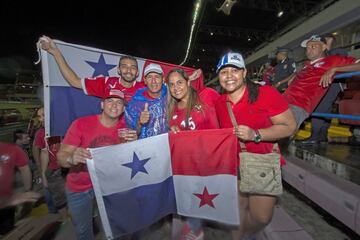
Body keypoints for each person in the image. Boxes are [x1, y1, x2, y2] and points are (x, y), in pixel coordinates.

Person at [214, 52, 296, 239]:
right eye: (223, 72)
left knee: (261, 217)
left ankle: (244, 233)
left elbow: (289, 126)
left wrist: (256, 134)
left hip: (262, 164)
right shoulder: (220, 102)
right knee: (236, 213)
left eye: (234, 71)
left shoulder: (265, 93)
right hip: (233, 166)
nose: (229, 76)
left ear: (244, 73)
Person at [56, 90, 137, 240]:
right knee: (83, 231)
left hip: (110, 186)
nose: (114, 105)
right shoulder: (81, 124)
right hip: (79, 187)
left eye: (119, 102)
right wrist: (71, 158)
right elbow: (61, 157)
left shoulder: (126, 129)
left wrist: (134, 146)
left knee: (117, 227)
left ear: (124, 108)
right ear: (102, 104)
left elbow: (129, 160)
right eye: (110, 101)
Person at [166, 68, 219, 240]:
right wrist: (172, 132)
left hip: (206, 167)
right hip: (185, 169)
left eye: (179, 82)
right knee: (188, 207)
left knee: (197, 208)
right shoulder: (172, 110)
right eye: (172, 84)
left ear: (188, 82)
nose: (176, 88)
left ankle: (194, 231)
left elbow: (221, 126)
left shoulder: (207, 97)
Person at [283, 34, 360, 129]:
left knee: (279, 133)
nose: (309, 49)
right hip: (282, 101)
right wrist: (294, 76)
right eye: (307, 47)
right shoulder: (306, 65)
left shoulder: (333, 60)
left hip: (297, 105)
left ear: (324, 47)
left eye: (313, 46)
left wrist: (334, 69)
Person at [39, 36, 145, 102]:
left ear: (137, 72)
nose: (128, 71)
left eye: (133, 67)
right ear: (118, 70)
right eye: (124, 67)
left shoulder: (145, 87)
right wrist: (55, 53)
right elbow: (74, 81)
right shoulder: (106, 82)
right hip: (113, 132)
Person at [301, 33, 349, 145]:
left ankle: (315, 135)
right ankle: (322, 136)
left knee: (320, 106)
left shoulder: (337, 52)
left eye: (326, 40)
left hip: (333, 84)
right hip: (323, 84)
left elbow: (341, 63)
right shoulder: (323, 55)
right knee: (324, 108)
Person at [0, 141, 36, 235]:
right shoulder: (12, 149)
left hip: (7, 202)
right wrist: (27, 191)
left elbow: (25, 169)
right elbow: (25, 170)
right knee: (7, 230)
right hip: (7, 201)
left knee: (7, 229)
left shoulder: (12, 149)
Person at [125, 63, 168, 139]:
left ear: (163, 79)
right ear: (145, 80)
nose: (153, 81)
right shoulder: (135, 103)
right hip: (145, 147)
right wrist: (139, 122)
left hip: (169, 146)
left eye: (157, 77)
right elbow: (132, 134)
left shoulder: (171, 96)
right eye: (150, 77)